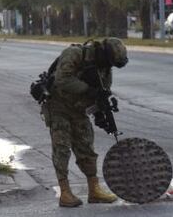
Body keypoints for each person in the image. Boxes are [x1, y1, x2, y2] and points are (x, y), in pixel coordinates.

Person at [43, 38, 128, 207]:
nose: (109, 67)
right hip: (58, 106)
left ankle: (94, 190)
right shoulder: (75, 54)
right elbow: (63, 79)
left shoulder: (104, 68)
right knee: (62, 148)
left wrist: (100, 113)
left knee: (87, 148)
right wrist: (90, 91)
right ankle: (65, 192)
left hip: (79, 110)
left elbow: (101, 92)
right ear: (103, 53)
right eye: (109, 63)